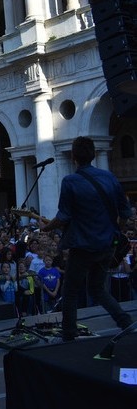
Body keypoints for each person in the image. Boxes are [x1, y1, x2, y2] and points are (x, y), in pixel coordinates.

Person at [41, 136, 133, 341]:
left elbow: (64, 216)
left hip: (82, 246)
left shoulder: (70, 181)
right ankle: (125, 322)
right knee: (98, 288)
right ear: (93, 154)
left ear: (73, 156)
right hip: (106, 245)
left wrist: (46, 227)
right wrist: (116, 230)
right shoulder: (109, 177)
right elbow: (126, 212)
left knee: (71, 291)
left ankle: (69, 334)